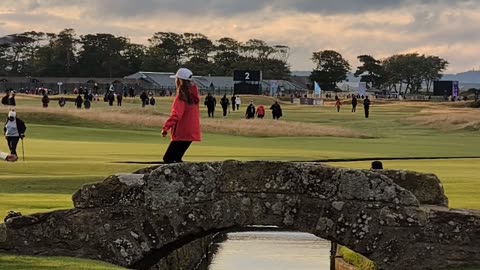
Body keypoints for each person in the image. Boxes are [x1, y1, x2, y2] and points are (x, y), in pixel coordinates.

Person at [161, 68, 201, 164]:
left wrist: (166, 127)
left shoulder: (181, 97)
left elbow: (176, 115)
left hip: (181, 133)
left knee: (168, 159)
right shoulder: (193, 97)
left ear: (179, 81)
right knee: (177, 159)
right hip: (191, 132)